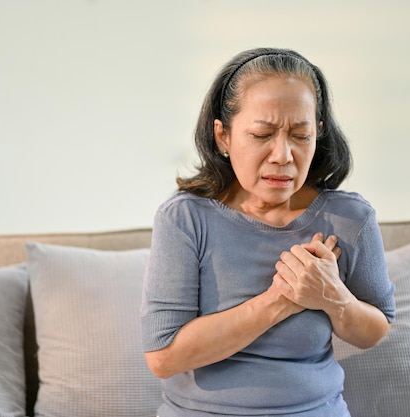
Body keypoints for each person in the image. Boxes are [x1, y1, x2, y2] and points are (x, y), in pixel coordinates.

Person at [140, 47, 396, 417]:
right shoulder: (184, 219)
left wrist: (332, 296)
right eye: (262, 134)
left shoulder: (350, 219)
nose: (283, 155)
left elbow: (377, 327)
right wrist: (281, 299)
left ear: (317, 134)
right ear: (223, 136)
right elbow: (164, 357)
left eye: (300, 135)